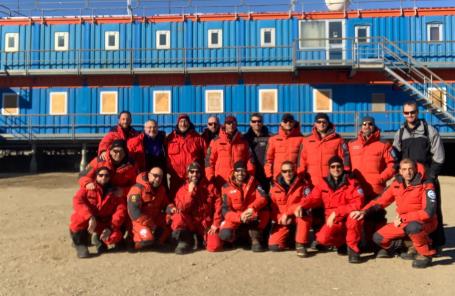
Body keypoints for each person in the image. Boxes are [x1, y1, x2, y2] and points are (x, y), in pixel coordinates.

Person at [350, 159, 438, 268]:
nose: (408, 172)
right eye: (404, 169)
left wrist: (404, 218)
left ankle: (425, 254)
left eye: (410, 169)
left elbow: (428, 212)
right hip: (402, 222)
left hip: (424, 222)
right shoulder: (396, 184)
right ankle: (412, 246)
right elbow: (380, 200)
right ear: (400, 171)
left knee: (413, 227)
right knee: (378, 238)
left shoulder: (426, 184)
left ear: (415, 169)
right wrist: (364, 211)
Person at [392, 101, 445, 249]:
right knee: (410, 210)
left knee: (432, 211)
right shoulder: (400, 133)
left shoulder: (429, 131)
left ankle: (436, 242)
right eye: (407, 113)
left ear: (417, 112)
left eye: (413, 112)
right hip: (409, 180)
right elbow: (395, 157)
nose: (410, 115)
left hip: (427, 179)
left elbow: (439, 156)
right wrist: (399, 174)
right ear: (403, 114)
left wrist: (431, 176)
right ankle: (412, 243)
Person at [295, 156, 364, 263]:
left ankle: (353, 250)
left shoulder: (353, 183)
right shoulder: (323, 184)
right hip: (333, 221)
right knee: (322, 239)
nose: (336, 169)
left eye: (338, 166)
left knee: (354, 218)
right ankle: (341, 243)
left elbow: (358, 203)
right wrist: (301, 205)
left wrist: (337, 212)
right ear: (329, 168)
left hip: (346, 217)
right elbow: (314, 198)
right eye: (333, 167)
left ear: (343, 167)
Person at [348, 116, 396, 250]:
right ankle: (364, 243)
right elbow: (347, 166)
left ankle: (380, 246)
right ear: (360, 127)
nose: (366, 126)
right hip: (358, 190)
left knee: (377, 217)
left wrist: (381, 178)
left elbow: (393, 165)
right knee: (359, 216)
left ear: (374, 126)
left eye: (369, 124)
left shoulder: (384, 144)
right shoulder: (352, 144)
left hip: (376, 189)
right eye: (364, 124)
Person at [69, 167, 127, 258]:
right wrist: (90, 217)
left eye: (107, 176)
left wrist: (111, 227)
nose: (104, 178)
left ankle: (98, 240)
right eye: (101, 175)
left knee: (116, 237)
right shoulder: (88, 188)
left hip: (105, 223)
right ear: (96, 176)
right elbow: (77, 201)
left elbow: (121, 210)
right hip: (90, 220)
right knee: (77, 220)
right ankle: (80, 243)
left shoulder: (115, 193)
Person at [167, 162, 223, 254]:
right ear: (188, 174)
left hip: (205, 224)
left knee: (214, 246)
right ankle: (184, 240)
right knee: (177, 216)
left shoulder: (210, 187)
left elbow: (219, 206)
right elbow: (182, 208)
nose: (194, 174)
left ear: (201, 173)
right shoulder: (182, 190)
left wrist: (216, 224)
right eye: (191, 172)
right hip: (190, 223)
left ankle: (200, 239)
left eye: (197, 172)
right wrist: (190, 192)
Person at [219, 161, 269, 252]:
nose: (240, 173)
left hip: (251, 214)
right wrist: (240, 217)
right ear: (234, 172)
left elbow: (263, 197)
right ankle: (237, 239)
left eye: (243, 171)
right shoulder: (226, 187)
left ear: (246, 172)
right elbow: (226, 209)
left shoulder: (254, 183)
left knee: (264, 211)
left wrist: (252, 208)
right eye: (238, 171)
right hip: (237, 216)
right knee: (224, 234)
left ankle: (255, 238)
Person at [268, 161, 313, 257]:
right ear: (281, 172)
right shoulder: (274, 188)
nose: (288, 174)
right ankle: (292, 237)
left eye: (290, 171)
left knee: (304, 214)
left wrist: (289, 212)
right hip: (283, 220)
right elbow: (272, 209)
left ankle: (301, 244)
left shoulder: (303, 185)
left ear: (294, 171)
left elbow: (308, 201)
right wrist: (280, 219)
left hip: (297, 216)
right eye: (284, 171)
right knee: (274, 246)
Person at [299, 113, 350, 186]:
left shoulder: (338, 140)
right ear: (315, 124)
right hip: (312, 182)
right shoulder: (306, 140)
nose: (321, 124)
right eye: (319, 122)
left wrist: (345, 174)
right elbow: (302, 161)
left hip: (331, 182)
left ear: (328, 123)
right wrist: (300, 175)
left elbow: (344, 158)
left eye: (324, 122)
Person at [127, 167, 171, 250]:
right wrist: (152, 225)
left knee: (170, 225)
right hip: (140, 221)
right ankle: (132, 240)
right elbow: (134, 212)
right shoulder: (137, 189)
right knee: (147, 240)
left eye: (160, 177)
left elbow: (166, 205)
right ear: (149, 175)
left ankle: (157, 241)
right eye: (155, 176)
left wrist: (172, 209)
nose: (157, 179)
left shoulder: (161, 189)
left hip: (154, 218)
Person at [205, 115, 255, 188]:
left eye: (233, 123)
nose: (231, 125)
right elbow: (209, 161)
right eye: (228, 123)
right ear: (225, 125)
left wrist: (250, 175)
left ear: (236, 124)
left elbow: (250, 160)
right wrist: (210, 177)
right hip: (221, 181)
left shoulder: (243, 141)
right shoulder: (216, 141)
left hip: (239, 180)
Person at [166, 114, 206, 199]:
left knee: (192, 199)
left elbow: (206, 158)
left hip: (193, 177)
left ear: (189, 123)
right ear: (177, 123)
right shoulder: (170, 138)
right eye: (181, 121)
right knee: (175, 200)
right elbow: (165, 156)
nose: (183, 124)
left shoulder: (198, 138)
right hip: (175, 178)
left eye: (185, 121)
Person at [264, 113, 303, 181]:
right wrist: (269, 175)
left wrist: (301, 175)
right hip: (278, 177)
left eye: (290, 121)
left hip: (295, 176)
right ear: (281, 123)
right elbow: (268, 159)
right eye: (285, 121)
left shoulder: (301, 139)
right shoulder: (273, 139)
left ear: (294, 123)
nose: (288, 123)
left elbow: (303, 160)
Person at [244, 112, 271, 191]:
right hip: (251, 174)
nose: (257, 123)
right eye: (254, 121)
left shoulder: (270, 137)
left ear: (262, 123)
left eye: (259, 121)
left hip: (266, 174)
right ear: (250, 123)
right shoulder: (245, 138)